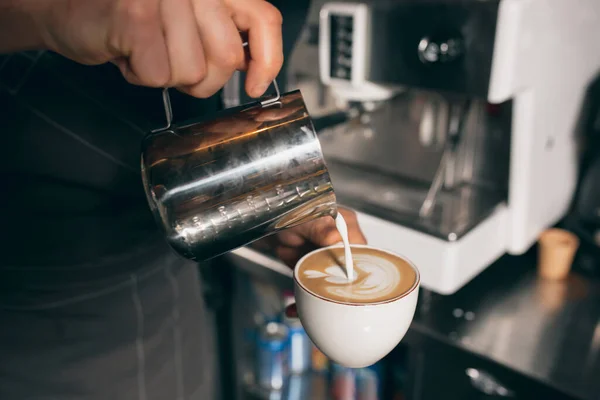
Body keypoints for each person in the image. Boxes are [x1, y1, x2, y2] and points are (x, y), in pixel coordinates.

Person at [0, 0, 367, 399]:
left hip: (164, 283)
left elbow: (250, 86)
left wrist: (267, 202)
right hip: (43, 306)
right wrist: (48, 12)